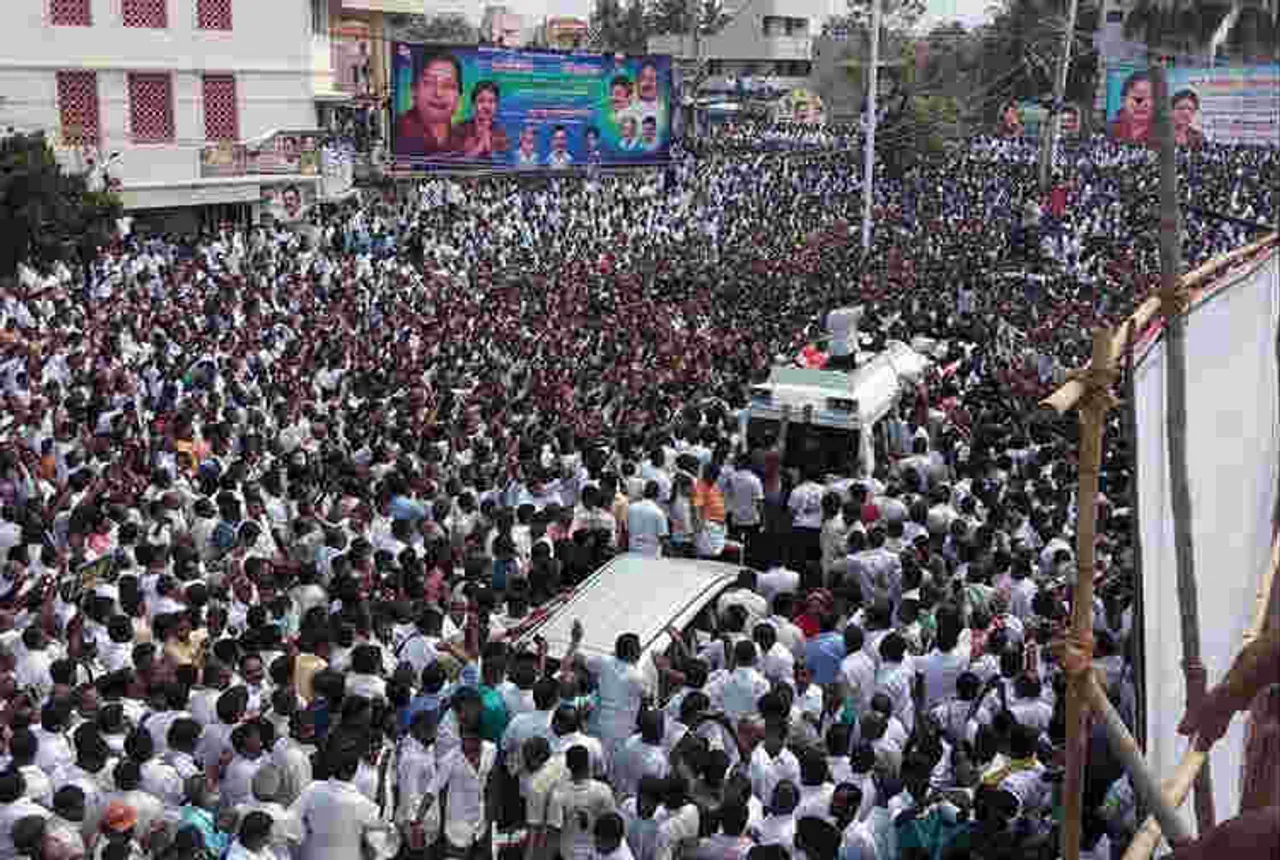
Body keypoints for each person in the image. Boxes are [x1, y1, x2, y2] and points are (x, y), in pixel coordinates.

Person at [395, 51, 463, 156]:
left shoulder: (461, 139)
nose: (438, 93)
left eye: (448, 85)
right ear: (414, 90)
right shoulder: (397, 133)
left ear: (459, 95)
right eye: (429, 83)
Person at [456, 80, 509, 159]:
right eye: (481, 101)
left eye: (491, 101)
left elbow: (502, 161)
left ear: (496, 105)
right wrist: (481, 144)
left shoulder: (501, 133)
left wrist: (488, 140)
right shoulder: (459, 129)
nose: (486, 106)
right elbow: (457, 161)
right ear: (473, 104)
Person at [1110, 70, 1154, 144]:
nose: (1142, 104)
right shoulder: (1109, 130)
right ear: (1123, 100)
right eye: (1135, 96)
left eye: (1149, 97)